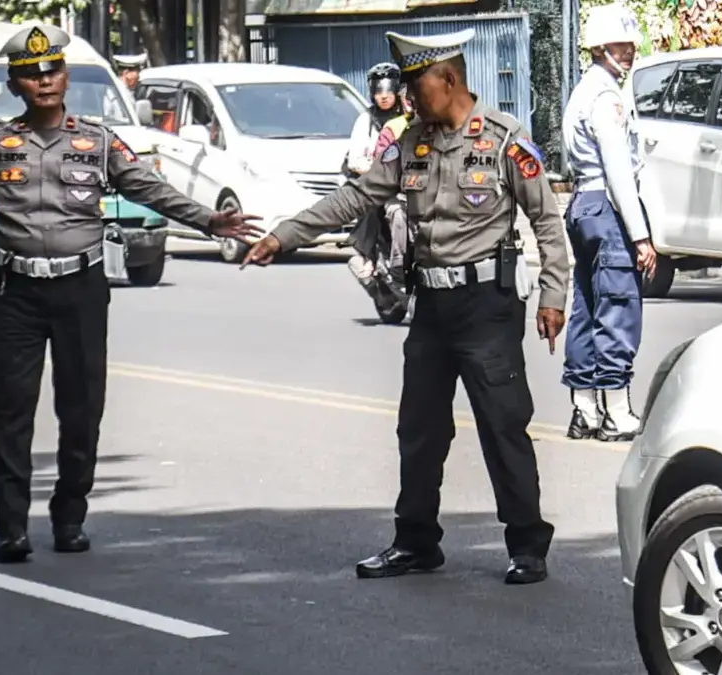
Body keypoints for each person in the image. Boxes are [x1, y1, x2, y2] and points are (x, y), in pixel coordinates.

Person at [0, 24, 262, 564]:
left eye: (52, 70)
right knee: (12, 412)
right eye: (32, 74)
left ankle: (70, 517)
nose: (44, 81)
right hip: (16, 291)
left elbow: (149, 187)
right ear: (15, 84)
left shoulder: (97, 141)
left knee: (82, 409)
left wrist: (211, 220)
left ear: (65, 77)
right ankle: (11, 528)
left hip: (81, 289)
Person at [242, 28, 570, 585]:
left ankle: (526, 544)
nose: (410, 98)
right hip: (432, 307)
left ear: (450, 79)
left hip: (486, 305)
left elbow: (546, 220)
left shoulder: (503, 140)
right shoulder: (409, 144)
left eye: (418, 86)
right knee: (418, 428)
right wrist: (285, 234)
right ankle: (415, 541)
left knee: (502, 425)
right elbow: (356, 197)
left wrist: (554, 295)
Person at [561, 4, 655, 443]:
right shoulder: (606, 98)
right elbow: (618, 170)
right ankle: (617, 412)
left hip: (583, 203)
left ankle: (585, 410)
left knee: (584, 305)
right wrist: (641, 236)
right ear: (600, 49)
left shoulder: (584, 90)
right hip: (606, 205)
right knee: (617, 304)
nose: (630, 52)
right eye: (621, 45)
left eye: (632, 44)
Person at [342, 62, 412, 295]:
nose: (383, 96)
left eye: (388, 90)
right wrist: (378, 171)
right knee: (392, 212)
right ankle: (389, 263)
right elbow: (355, 160)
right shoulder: (366, 121)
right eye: (378, 91)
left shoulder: (409, 119)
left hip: (410, 184)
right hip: (379, 184)